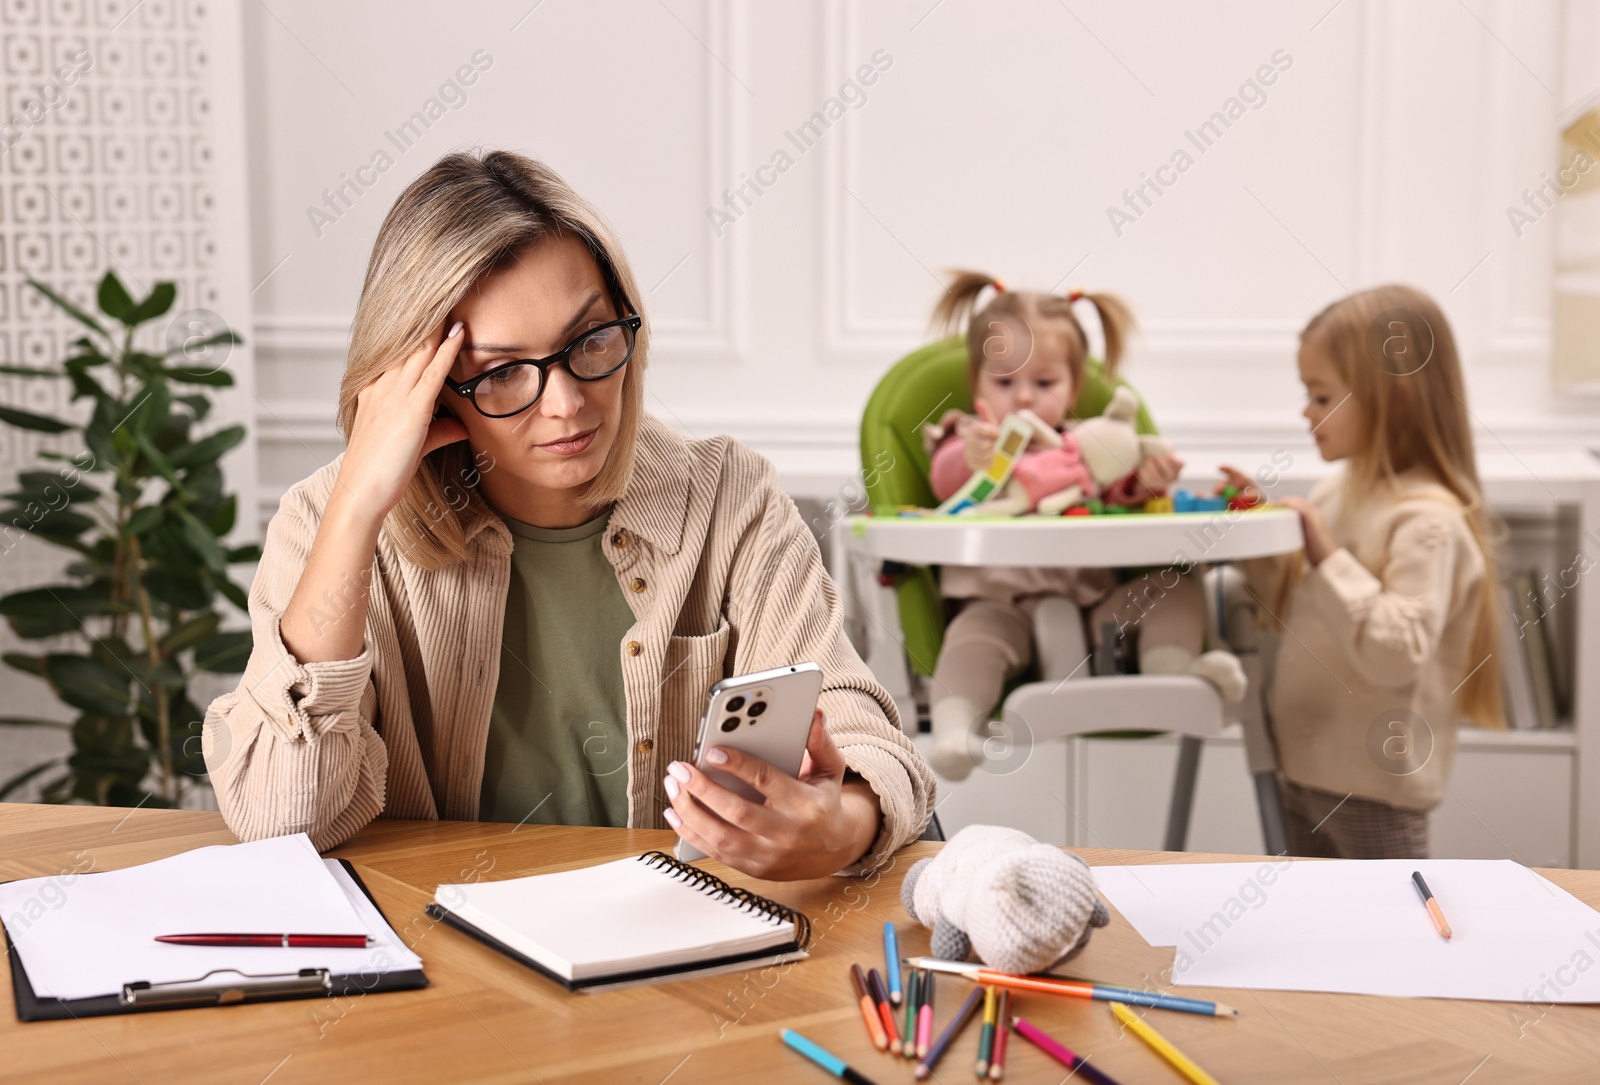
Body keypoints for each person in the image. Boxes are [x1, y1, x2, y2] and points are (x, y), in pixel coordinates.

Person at [202, 150, 934, 879]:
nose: (567, 403)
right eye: (503, 371)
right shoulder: (323, 523)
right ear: (425, 386)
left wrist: (840, 825)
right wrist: (358, 506)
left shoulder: (728, 500)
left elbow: (866, 735)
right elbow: (284, 820)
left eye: (589, 341)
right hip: (442, 973)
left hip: (673, 965)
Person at [921, 272, 1244, 782]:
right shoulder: (970, 436)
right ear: (976, 381)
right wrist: (974, 458)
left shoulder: (1090, 448)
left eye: (1044, 384)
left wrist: (1148, 482)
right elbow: (947, 478)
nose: (1023, 399)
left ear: (1075, 386)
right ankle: (954, 728)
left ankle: (1175, 675)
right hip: (999, 606)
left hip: (1096, 613)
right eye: (1004, 382)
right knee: (971, 642)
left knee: (1174, 587)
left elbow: (1123, 496)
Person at [1222, 284, 1503, 859]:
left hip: (1374, 788)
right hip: (1302, 769)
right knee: (1316, 930)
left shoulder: (1428, 521)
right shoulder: (1340, 490)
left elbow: (1396, 653)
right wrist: (1256, 533)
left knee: (1388, 936)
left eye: (1321, 396)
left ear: (1393, 400)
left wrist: (1326, 555)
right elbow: (1292, 603)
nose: (1306, 412)